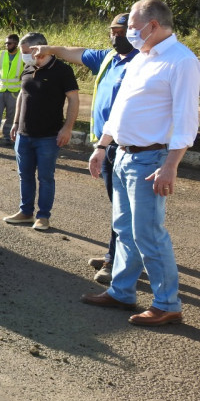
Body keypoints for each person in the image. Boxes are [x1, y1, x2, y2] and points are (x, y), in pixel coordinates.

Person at [81, 0, 200, 327]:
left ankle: (167, 304)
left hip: (151, 159)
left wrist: (171, 165)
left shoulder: (181, 61)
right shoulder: (141, 58)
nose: (128, 33)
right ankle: (122, 291)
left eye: (132, 27)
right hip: (122, 154)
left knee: (149, 234)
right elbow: (120, 110)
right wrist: (102, 146)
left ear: (153, 26)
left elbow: (187, 119)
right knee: (124, 229)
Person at [32, 14, 138, 284]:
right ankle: (119, 255)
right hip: (107, 145)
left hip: (130, 145)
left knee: (125, 209)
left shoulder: (143, 61)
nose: (116, 35)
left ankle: (118, 262)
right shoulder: (107, 58)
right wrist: (50, 49)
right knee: (119, 207)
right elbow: (75, 52)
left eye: (122, 30)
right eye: (112, 30)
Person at [2, 32, 79, 231]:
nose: (24, 56)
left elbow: (73, 99)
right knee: (24, 175)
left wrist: (67, 128)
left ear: (41, 49)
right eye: (22, 52)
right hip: (24, 135)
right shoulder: (28, 69)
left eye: (27, 52)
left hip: (49, 136)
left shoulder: (62, 70)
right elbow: (22, 95)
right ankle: (25, 212)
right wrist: (15, 123)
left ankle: (43, 216)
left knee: (45, 177)